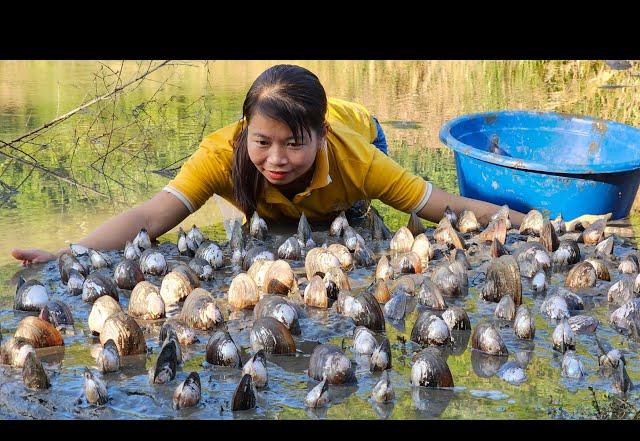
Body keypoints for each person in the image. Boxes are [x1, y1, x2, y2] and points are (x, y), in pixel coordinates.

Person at [11, 64, 525, 265]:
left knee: (348, 227)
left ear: (320, 138)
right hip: (311, 129)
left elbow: (445, 205)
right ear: (244, 132)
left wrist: (533, 223)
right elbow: (149, 217)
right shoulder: (222, 153)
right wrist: (66, 253)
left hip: (364, 131)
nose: (276, 158)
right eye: (262, 142)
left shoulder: (357, 159)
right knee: (274, 226)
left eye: (293, 145)